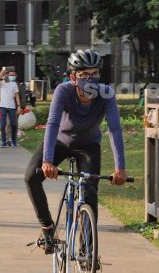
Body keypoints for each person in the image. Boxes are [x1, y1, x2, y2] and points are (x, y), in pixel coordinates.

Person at [24, 49, 127, 254]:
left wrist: (120, 168)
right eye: (84, 75)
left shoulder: (106, 94)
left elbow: (114, 129)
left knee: (89, 192)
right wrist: (47, 160)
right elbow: (52, 124)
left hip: (88, 146)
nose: (90, 79)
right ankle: (47, 229)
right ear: (73, 77)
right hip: (60, 142)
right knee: (31, 177)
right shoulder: (64, 91)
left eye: (94, 74)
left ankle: (87, 250)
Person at [0, 67, 21, 148]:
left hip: (12, 106)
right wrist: (2, 71)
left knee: (14, 124)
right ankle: (3, 141)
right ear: (7, 75)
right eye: (11, 75)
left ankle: (13, 140)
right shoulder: (2, 83)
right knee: (3, 125)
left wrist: (19, 106)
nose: (12, 76)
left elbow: (17, 95)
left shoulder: (14, 84)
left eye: (13, 75)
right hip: (3, 106)